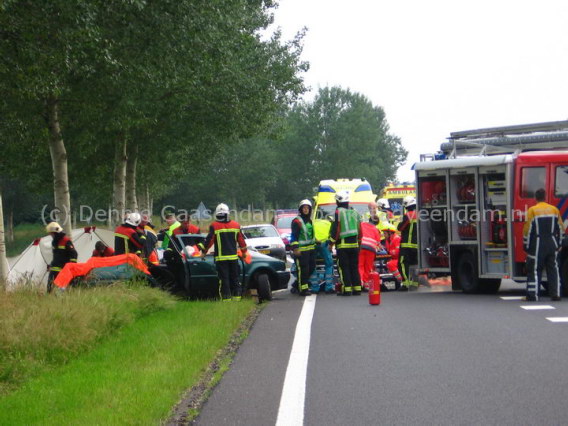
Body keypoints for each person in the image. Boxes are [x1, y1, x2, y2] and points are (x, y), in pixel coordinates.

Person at [198, 203, 248, 301]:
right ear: (227, 213)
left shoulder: (214, 226)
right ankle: (237, 299)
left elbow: (209, 241)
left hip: (221, 259)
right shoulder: (236, 225)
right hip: (233, 258)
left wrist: (204, 252)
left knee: (224, 280)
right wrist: (244, 252)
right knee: (235, 278)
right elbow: (241, 240)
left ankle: (226, 300)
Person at [523, 188, 565, 301]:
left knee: (535, 270)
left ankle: (533, 295)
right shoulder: (554, 210)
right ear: (545, 197)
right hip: (552, 242)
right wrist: (560, 244)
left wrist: (526, 245)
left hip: (537, 243)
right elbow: (561, 228)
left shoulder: (532, 210)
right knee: (553, 269)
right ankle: (555, 294)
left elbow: (527, 230)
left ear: (535, 198)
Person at [329, 190, 362, 295]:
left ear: (338, 201)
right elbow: (360, 229)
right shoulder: (355, 212)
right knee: (354, 267)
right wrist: (359, 243)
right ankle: (357, 289)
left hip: (343, 245)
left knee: (344, 267)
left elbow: (336, 229)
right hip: (355, 245)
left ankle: (347, 289)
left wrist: (331, 243)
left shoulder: (338, 212)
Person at [290, 199, 316, 296]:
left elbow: (309, 234)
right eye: (304, 208)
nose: (306, 210)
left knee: (311, 268)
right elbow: (293, 236)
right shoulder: (297, 221)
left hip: (311, 249)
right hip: (301, 250)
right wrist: (295, 248)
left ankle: (297, 284)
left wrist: (316, 240)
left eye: (307, 208)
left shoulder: (310, 220)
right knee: (303, 270)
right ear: (300, 209)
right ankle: (303, 289)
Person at [46, 222, 77, 293]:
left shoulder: (66, 241)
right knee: (49, 287)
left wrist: (72, 265)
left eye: (51, 233)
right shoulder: (54, 242)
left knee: (63, 288)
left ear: (55, 233)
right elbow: (56, 256)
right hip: (55, 267)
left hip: (64, 268)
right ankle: (49, 296)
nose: (50, 235)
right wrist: (51, 264)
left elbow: (74, 254)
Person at [397, 195, 418, 291]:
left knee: (402, 263)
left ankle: (406, 283)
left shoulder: (409, 215)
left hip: (407, 245)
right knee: (414, 264)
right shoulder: (420, 214)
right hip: (417, 246)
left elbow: (400, 228)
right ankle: (414, 283)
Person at [312, 214, 335, 294]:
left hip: (314, 244)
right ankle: (328, 287)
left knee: (312, 265)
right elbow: (332, 236)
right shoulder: (329, 224)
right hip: (323, 244)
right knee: (329, 264)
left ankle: (314, 288)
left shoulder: (314, 222)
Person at [359, 213, 382, 290]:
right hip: (371, 249)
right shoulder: (376, 230)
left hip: (361, 247)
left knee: (360, 266)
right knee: (368, 267)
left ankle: (360, 282)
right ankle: (366, 284)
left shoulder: (362, 224)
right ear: (376, 223)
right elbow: (378, 243)